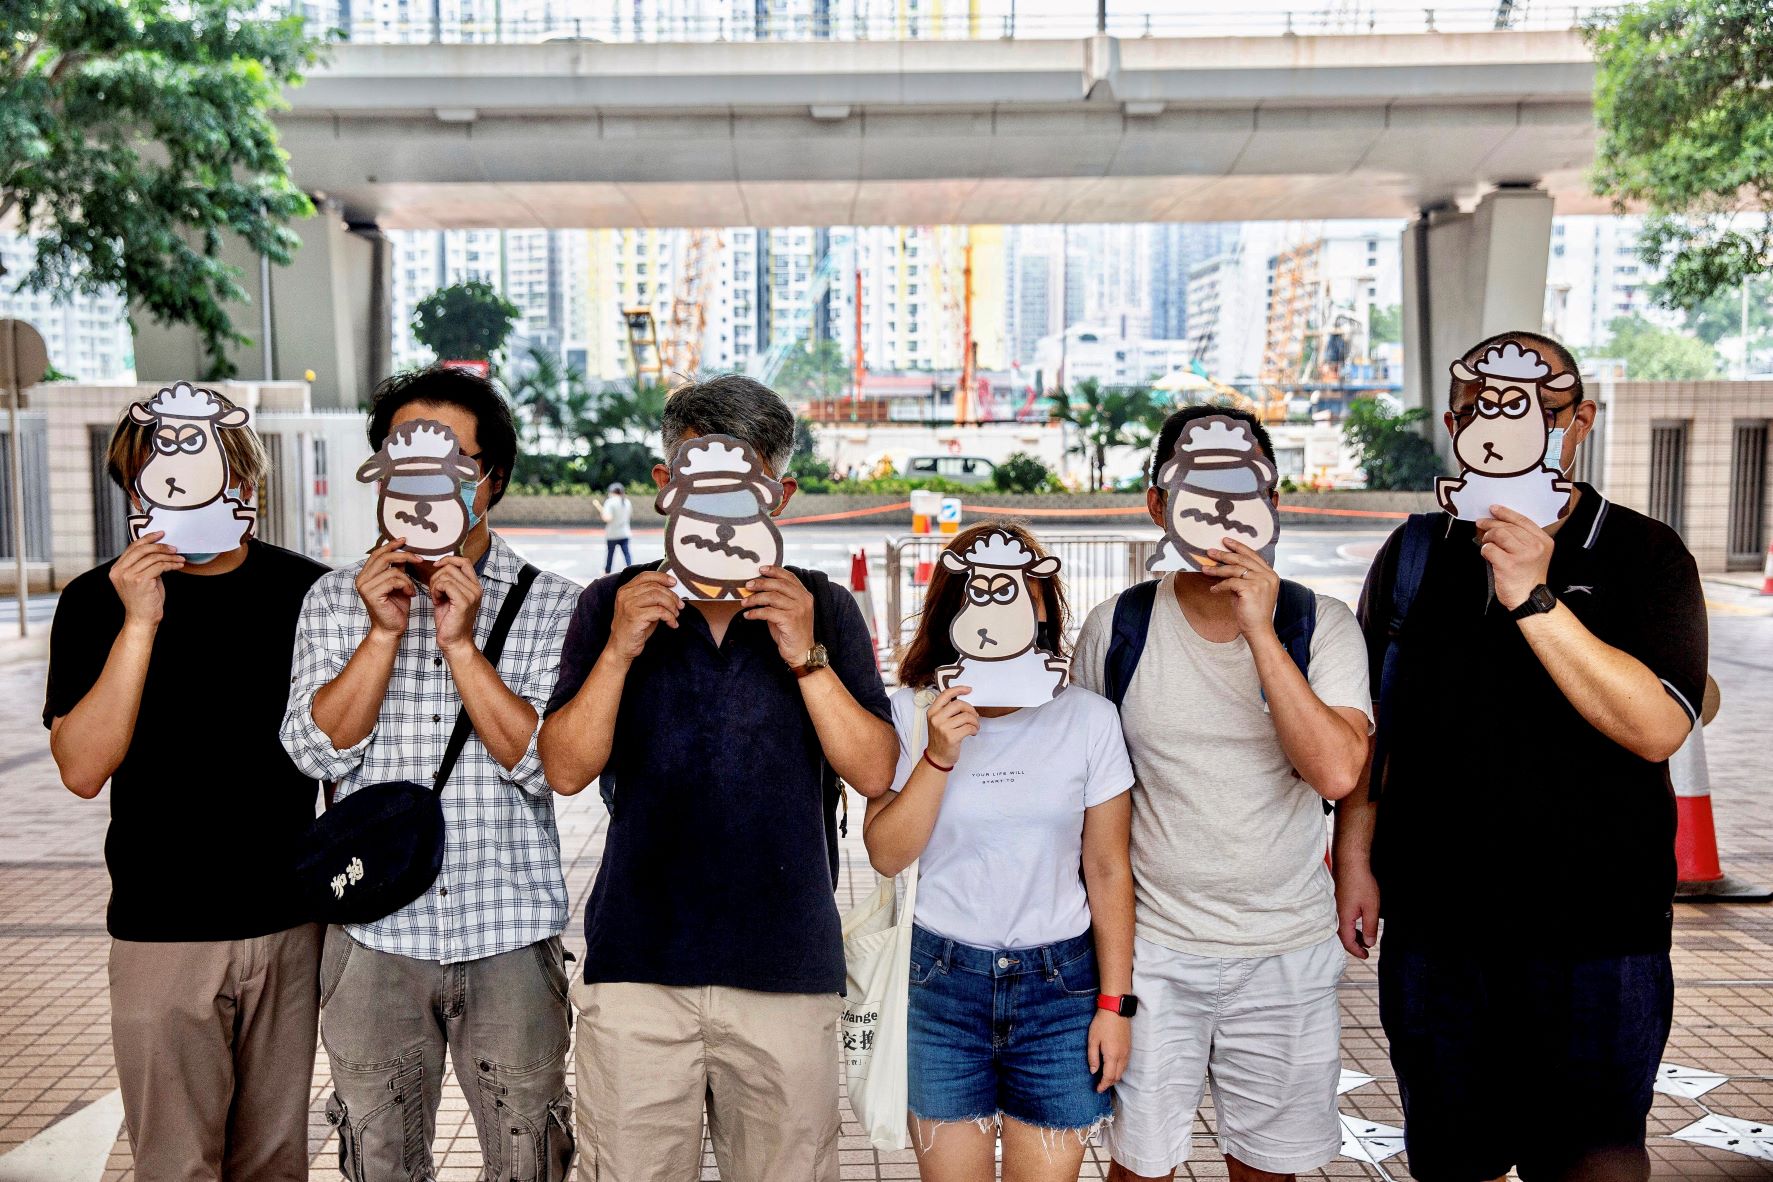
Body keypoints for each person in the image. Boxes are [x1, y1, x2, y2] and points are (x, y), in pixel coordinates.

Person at [1334, 330, 1705, 1182]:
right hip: (1436, 928)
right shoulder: (1415, 552)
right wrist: (1353, 856)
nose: (1501, 427)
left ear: (1579, 423)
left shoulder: (1645, 553)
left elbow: (1656, 727)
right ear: (1452, 425)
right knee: (1450, 1159)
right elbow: (1376, 722)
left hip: (1598, 933)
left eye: (1535, 409)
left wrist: (1533, 598)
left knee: (1594, 1159)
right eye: (1478, 410)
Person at [538, 373, 897, 1182]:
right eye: (699, 484)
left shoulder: (824, 607)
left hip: (787, 968)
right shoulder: (610, 602)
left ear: (782, 496)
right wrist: (619, 648)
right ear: (665, 485)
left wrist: (805, 654)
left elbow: (875, 769)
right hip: (636, 966)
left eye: (746, 489)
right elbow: (564, 768)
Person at [280, 366, 583, 1182]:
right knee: (379, 1159)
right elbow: (314, 752)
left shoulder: (553, 604)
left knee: (528, 1158)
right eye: (401, 461)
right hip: (373, 935)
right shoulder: (334, 599)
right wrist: (381, 635)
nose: (421, 485)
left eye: (448, 465)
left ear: (492, 481)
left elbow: (545, 765)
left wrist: (460, 645)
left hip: (508, 929)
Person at [1073, 405, 1374, 1182]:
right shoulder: (1118, 627)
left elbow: (1337, 772)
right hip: (1151, 950)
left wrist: (1261, 632)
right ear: (1157, 504)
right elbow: (1081, 794)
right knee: (1137, 1167)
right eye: (1194, 492)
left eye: (1242, 491)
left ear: (1272, 502)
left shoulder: (1318, 623)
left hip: (1285, 948)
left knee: (1268, 1168)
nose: (1221, 514)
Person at [45, 390, 328, 1181]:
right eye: (151, 477)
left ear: (242, 479)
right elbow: (81, 768)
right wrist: (139, 622)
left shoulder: (309, 593)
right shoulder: (94, 600)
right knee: (174, 1165)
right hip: (160, 926)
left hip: (288, 923)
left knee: (274, 1162)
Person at [864, 522, 1136, 1182]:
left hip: (1060, 989)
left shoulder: (1089, 719)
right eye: (977, 594)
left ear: (1043, 608)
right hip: (939, 984)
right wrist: (938, 756)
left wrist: (1114, 1005)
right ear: (951, 611)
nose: (996, 613)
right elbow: (886, 854)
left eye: (1015, 594)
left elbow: (1107, 869)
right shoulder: (909, 712)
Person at [597, 481, 633, 572]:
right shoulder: (627, 502)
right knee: (626, 554)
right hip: (625, 532)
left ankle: (607, 571)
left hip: (612, 533)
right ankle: (632, 570)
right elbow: (629, 515)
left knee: (610, 554)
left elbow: (608, 518)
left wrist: (603, 514)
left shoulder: (610, 502)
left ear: (611, 491)